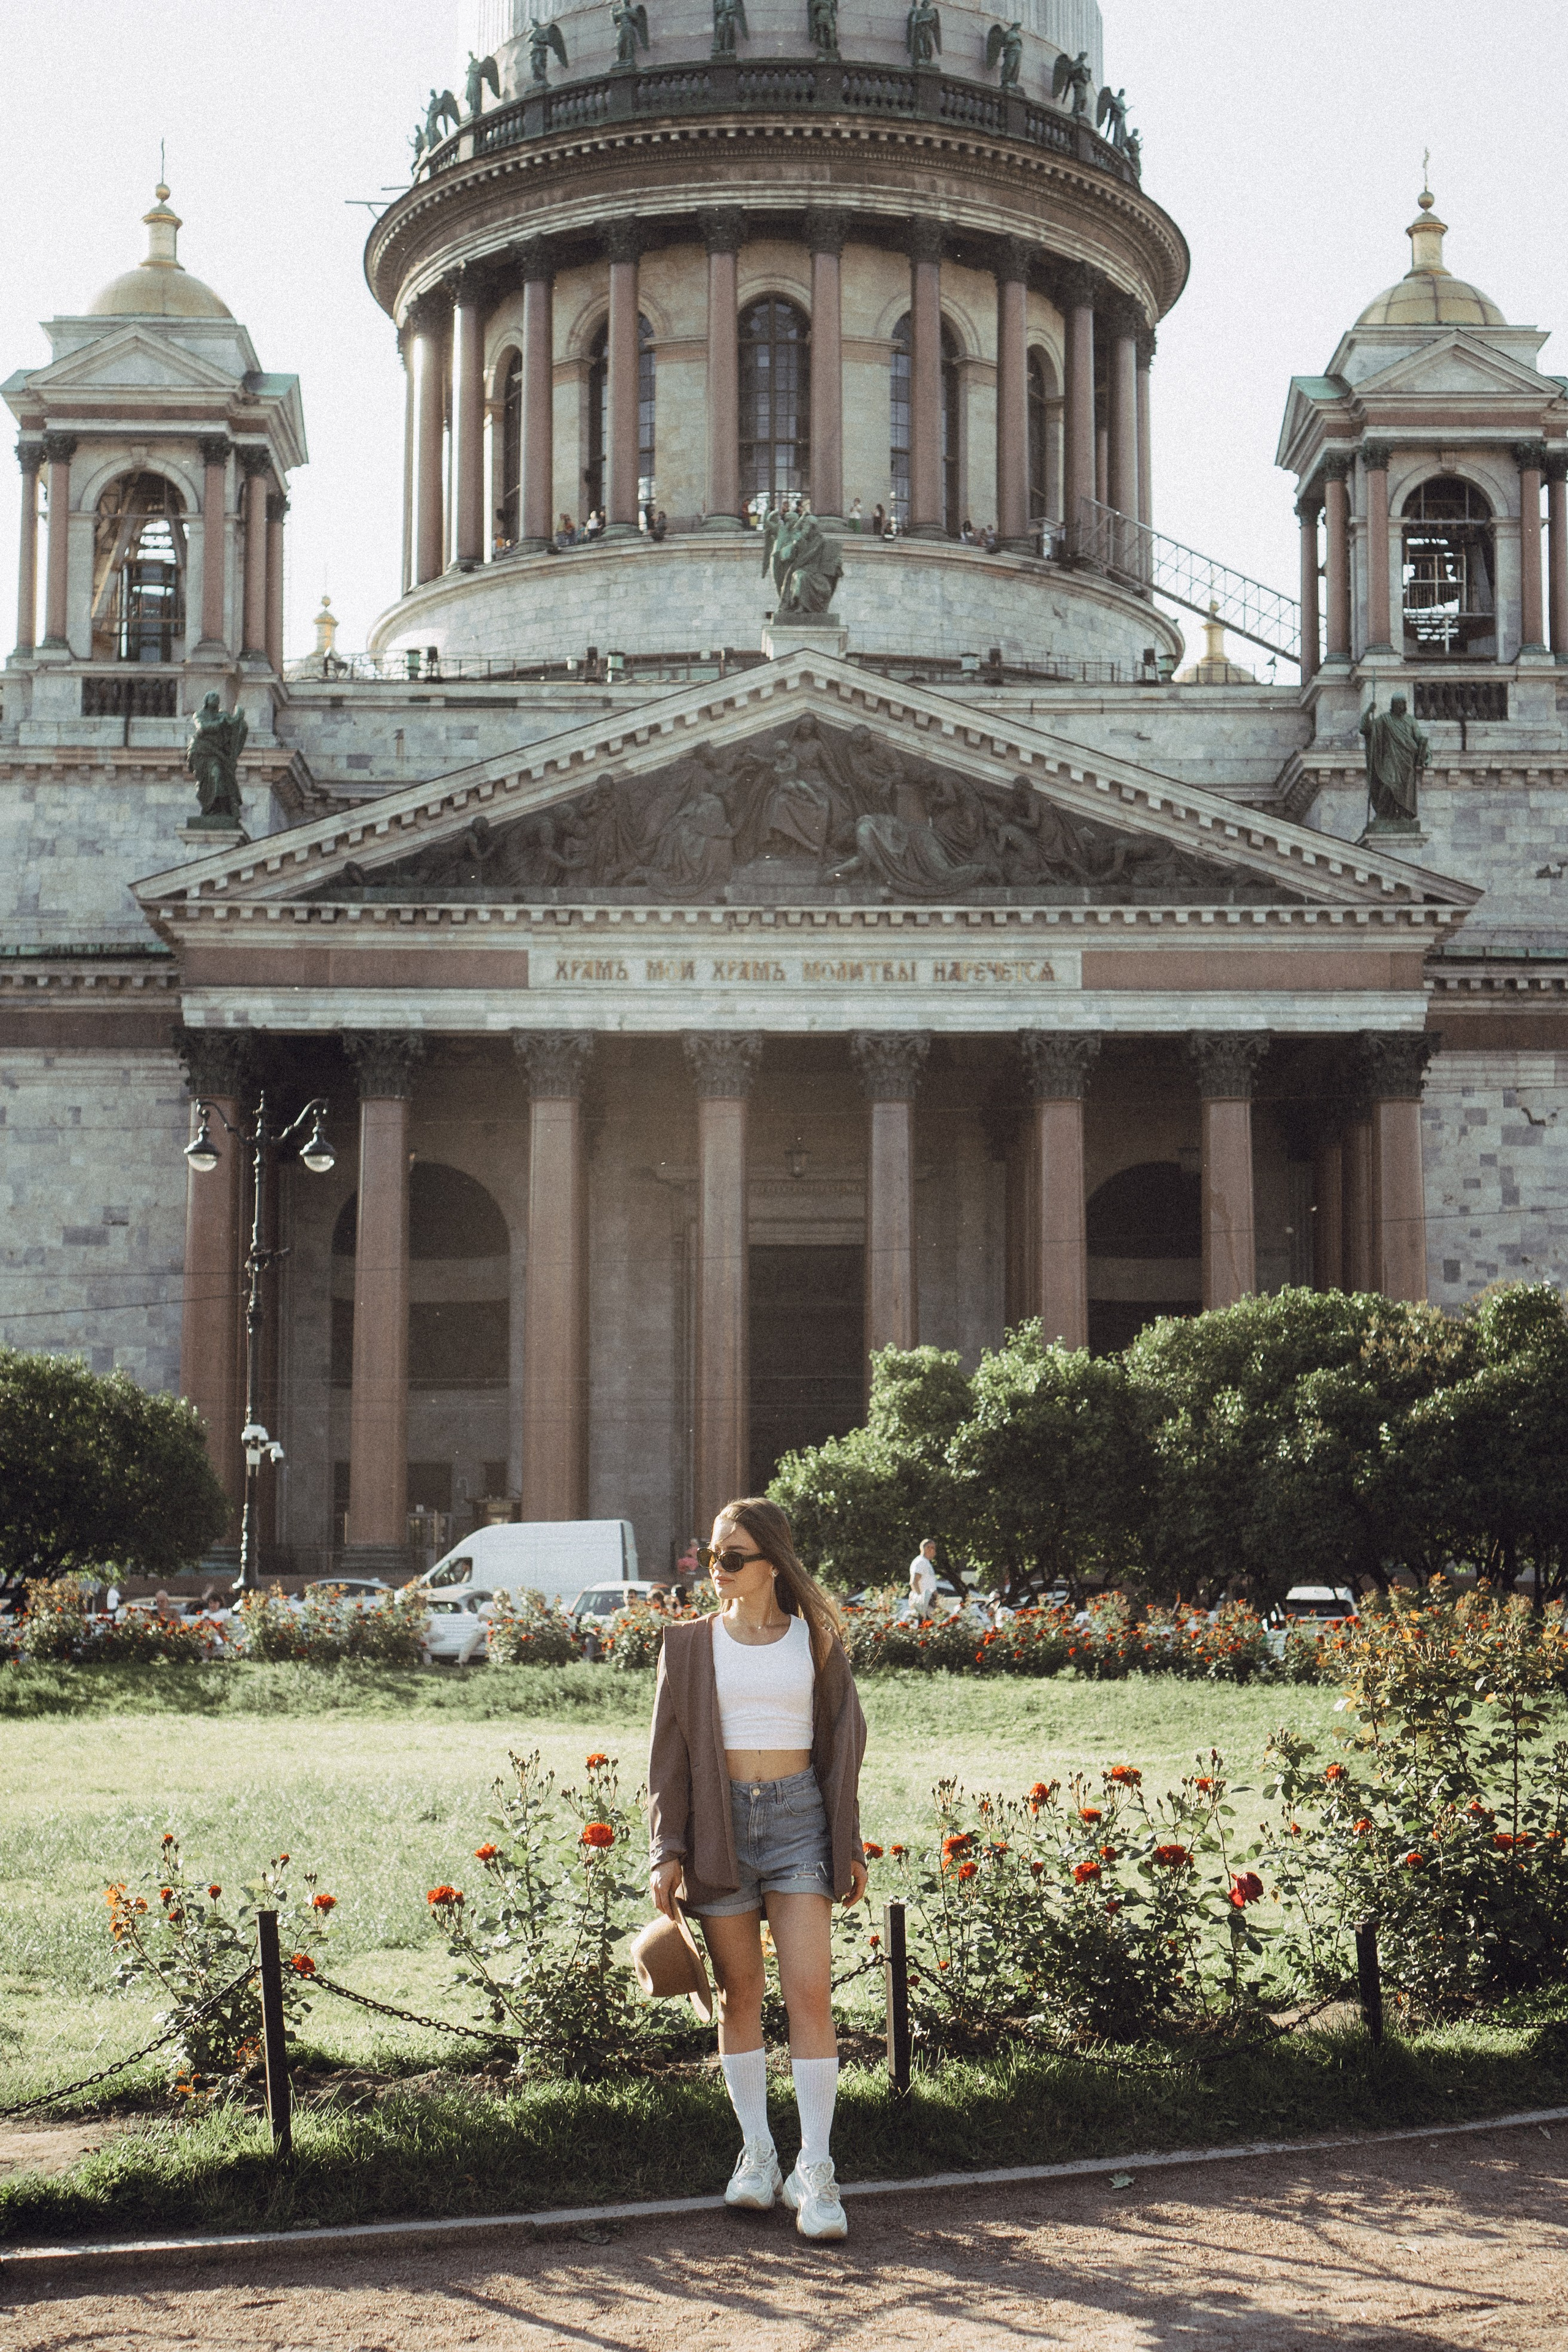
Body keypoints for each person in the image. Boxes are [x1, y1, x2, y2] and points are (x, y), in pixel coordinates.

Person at [648, 1496, 867, 2241]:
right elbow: (667, 1759)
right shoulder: (688, 1645)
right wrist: (666, 1850)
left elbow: (844, 1751)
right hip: (718, 1828)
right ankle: (758, 2154)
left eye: (733, 1557)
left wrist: (850, 1842)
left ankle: (816, 2170)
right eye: (712, 1554)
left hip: (800, 1823)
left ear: (772, 1562)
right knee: (739, 1995)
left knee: (809, 1994)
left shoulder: (816, 1643)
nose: (717, 1568)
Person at [907, 1537, 940, 1617]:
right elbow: (914, 1582)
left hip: (929, 1602)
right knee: (924, 1623)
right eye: (934, 1548)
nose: (935, 1552)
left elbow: (929, 1584)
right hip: (924, 1604)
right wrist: (921, 1600)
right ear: (929, 1548)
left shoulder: (926, 1562)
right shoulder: (920, 1562)